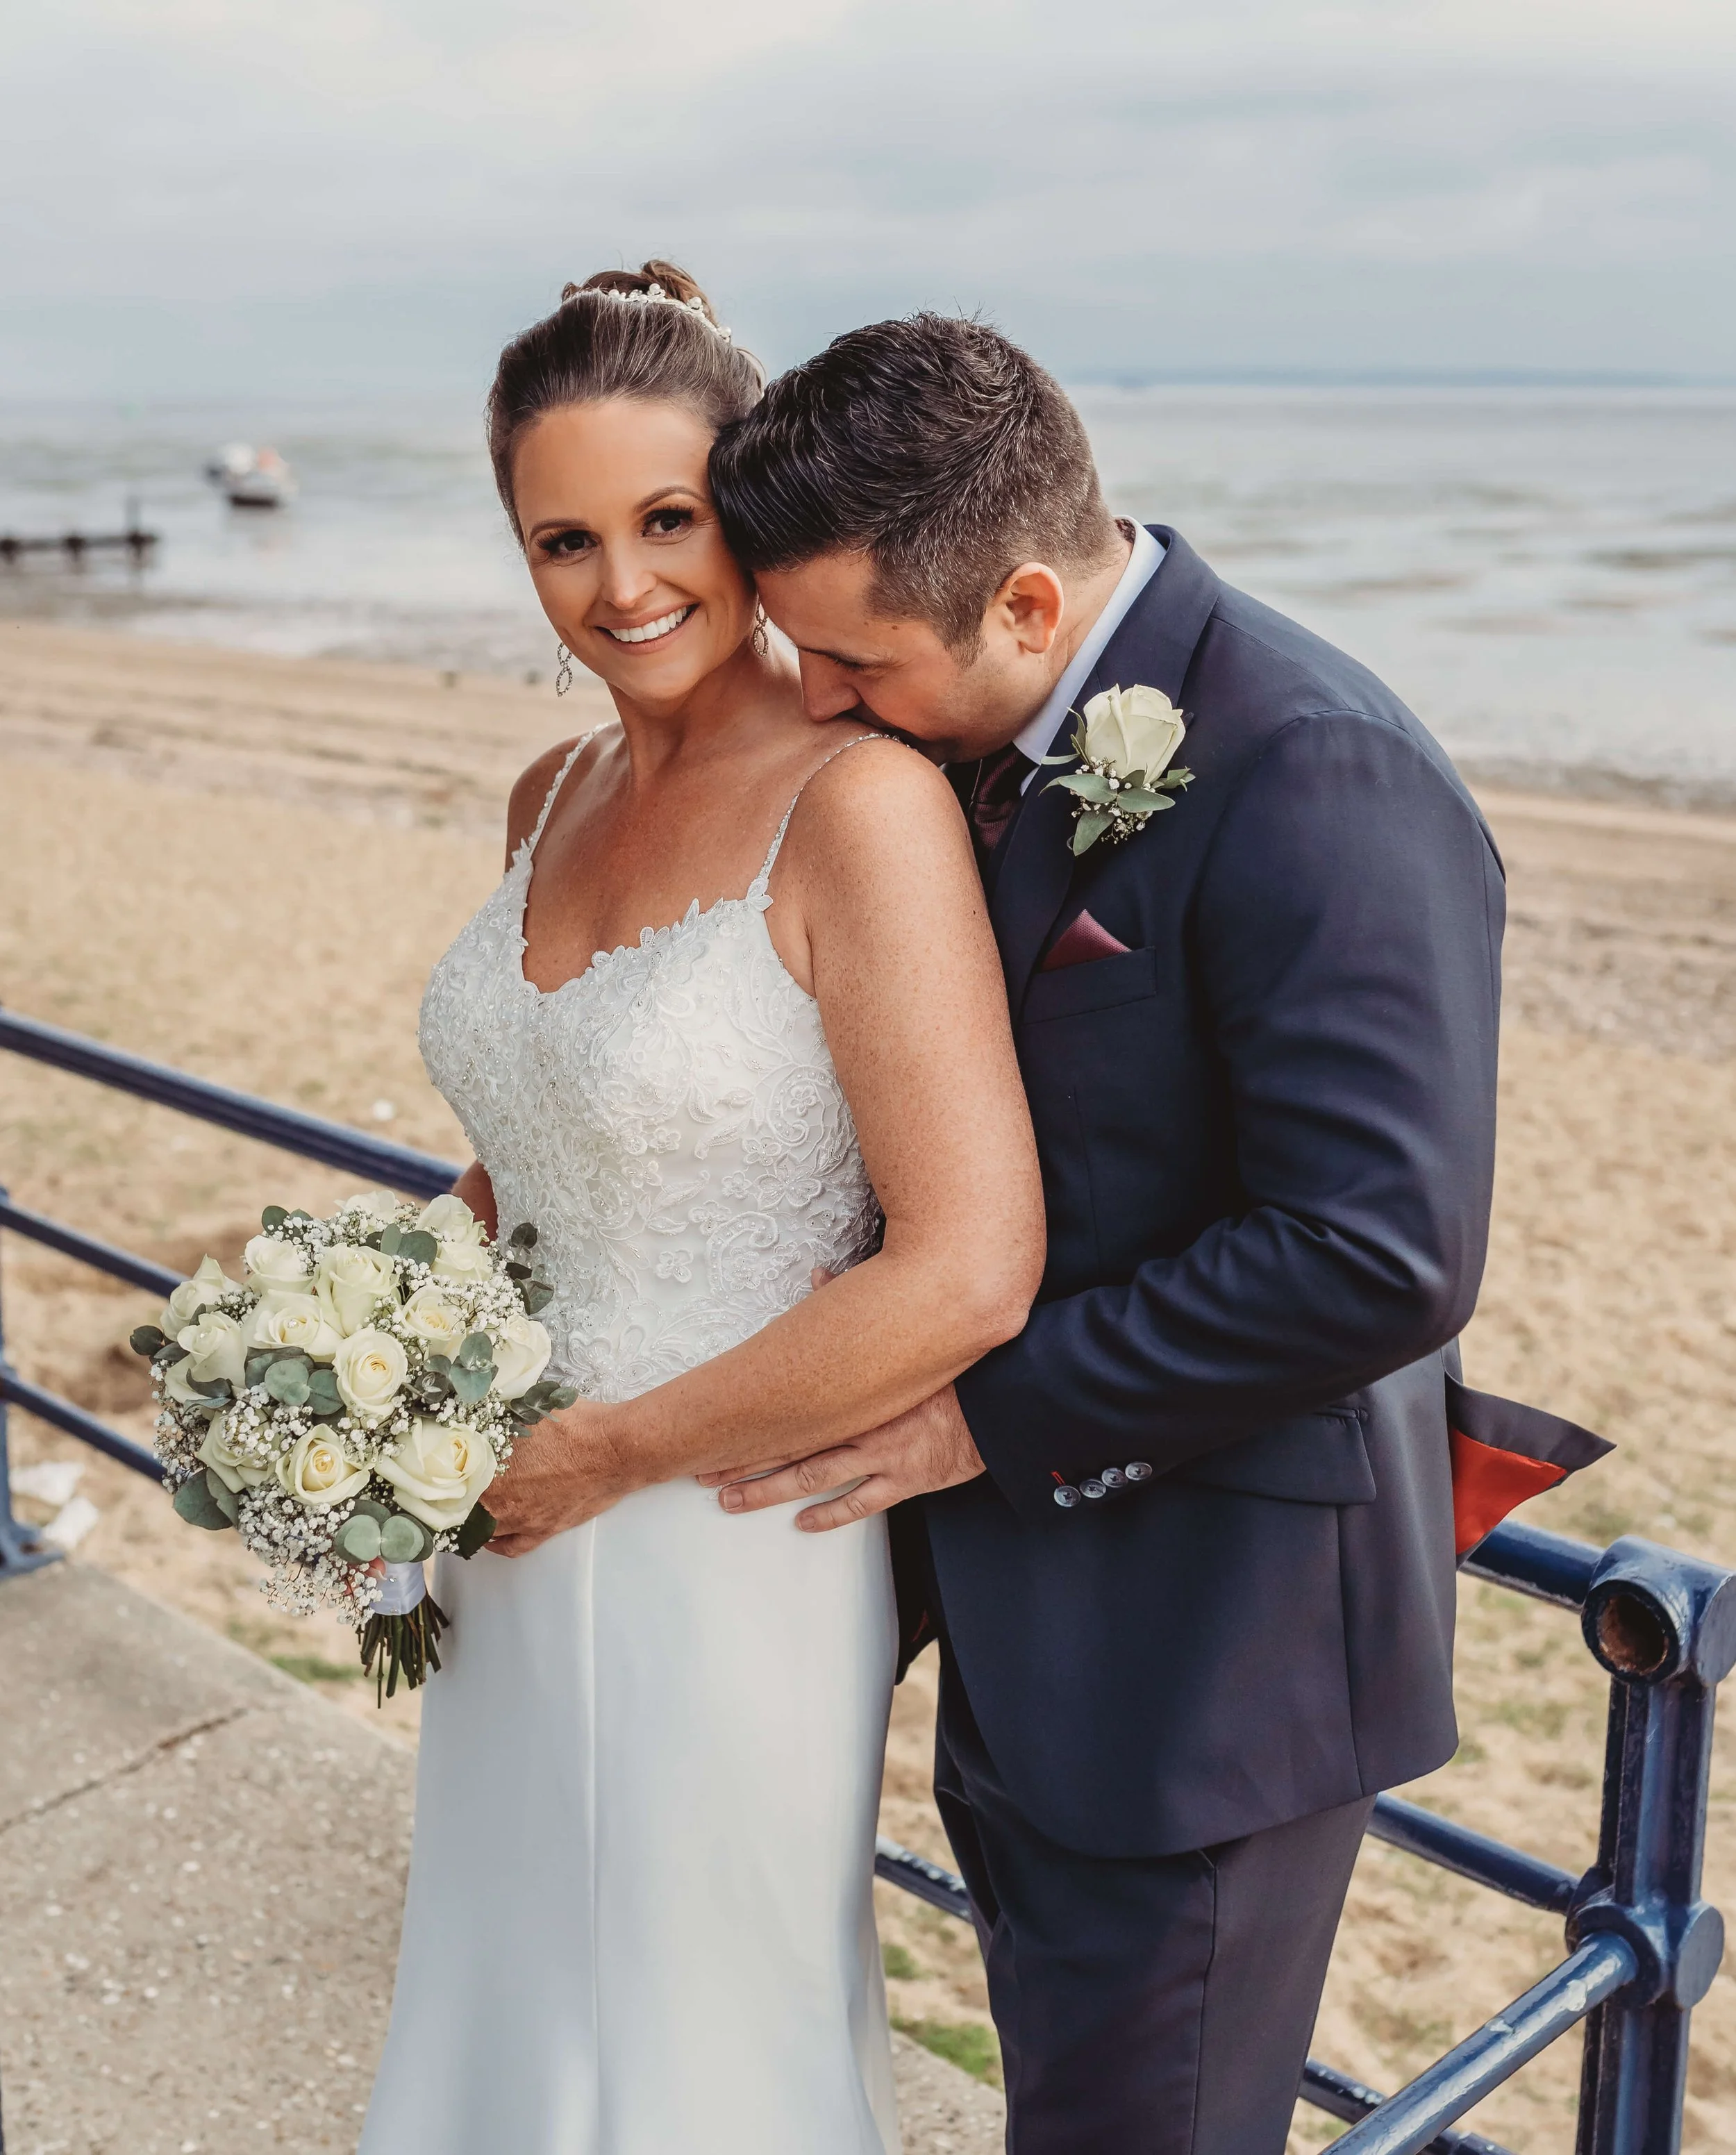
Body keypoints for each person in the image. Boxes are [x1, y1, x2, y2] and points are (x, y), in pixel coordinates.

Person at [699, 314, 1510, 2154]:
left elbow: (1376, 1250)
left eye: (849, 658)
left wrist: (984, 1410)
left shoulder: (1320, 768)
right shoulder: (967, 738)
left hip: (1206, 1664)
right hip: (1022, 1625)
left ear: (1033, 603)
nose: (815, 700)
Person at [361, 266, 1045, 2155]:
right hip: (503, 1528)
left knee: (698, 2040)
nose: (621, 585)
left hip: (724, 1537)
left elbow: (969, 1262)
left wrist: (610, 1450)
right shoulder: (546, 788)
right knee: (508, 1983)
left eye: (666, 520)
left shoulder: (861, 804)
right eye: (560, 538)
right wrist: (363, 1368)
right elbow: (534, 1147)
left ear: (740, 509)